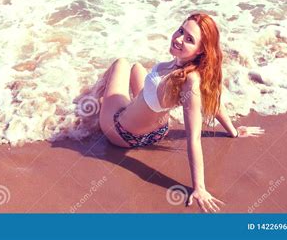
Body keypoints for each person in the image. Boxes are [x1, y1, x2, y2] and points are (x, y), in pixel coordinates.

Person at [97, 13, 265, 212]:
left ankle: (95, 97)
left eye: (189, 39)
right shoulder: (190, 71)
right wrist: (233, 131)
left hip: (122, 132)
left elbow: (193, 138)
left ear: (201, 50)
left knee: (121, 63)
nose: (178, 39)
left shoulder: (189, 81)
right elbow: (212, 99)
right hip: (158, 131)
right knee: (137, 68)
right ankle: (125, 102)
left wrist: (199, 188)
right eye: (181, 31)